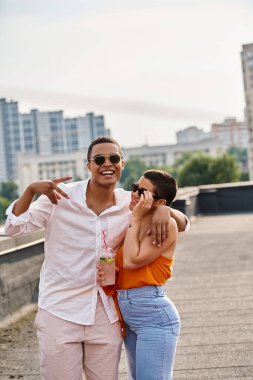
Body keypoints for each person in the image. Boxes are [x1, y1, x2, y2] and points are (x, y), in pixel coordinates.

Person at [5, 137, 188, 380]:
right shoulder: (59, 197)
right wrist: (30, 191)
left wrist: (166, 209)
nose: (107, 164)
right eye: (99, 159)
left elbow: (183, 223)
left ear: (122, 163)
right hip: (60, 310)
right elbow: (13, 228)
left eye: (113, 158)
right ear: (89, 165)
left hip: (105, 313)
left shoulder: (130, 202)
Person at [109, 170, 181, 380]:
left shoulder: (163, 225)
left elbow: (132, 261)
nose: (134, 194)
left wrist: (140, 217)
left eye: (142, 192)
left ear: (159, 202)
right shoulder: (137, 220)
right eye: (134, 187)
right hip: (129, 315)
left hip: (153, 316)